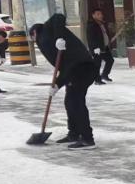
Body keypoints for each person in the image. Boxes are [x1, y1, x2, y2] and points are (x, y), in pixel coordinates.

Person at [30, 13, 97, 150]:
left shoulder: (47, 29)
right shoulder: (45, 42)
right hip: (75, 70)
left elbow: (58, 16)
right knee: (70, 102)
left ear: (34, 32)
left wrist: (59, 37)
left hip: (83, 68)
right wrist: (57, 85)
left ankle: (87, 139)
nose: (33, 40)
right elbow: (64, 66)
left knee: (76, 103)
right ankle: (74, 133)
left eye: (32, 37)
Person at [86, 8, 115, 85]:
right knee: (97, 64)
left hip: (104, 47)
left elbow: (104, 34)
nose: (100, 15)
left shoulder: (102, 23)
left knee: (110, 60)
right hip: (97, 49)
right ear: (93, 15)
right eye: (98, 14)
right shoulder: (91, 25)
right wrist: (94, 48)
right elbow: (90, 38)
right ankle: (97, 80)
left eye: (101, 14)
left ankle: (104, 75)